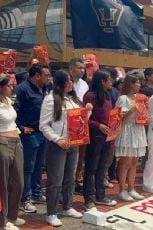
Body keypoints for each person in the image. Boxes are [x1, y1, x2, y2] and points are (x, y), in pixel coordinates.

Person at [39, 70, 91, 226]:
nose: (70, 83)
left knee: (70, 177)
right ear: (60, 83)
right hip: (58, 145)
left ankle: (67, 205)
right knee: (55, 179)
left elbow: (80, 122)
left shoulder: (74, 99)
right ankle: (51, 212)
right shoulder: (51, 99)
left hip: (73, 143)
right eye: (67, 81)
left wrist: (87, 111)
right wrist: (57, 139)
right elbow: (43, 125)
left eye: (71, 81)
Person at [0, 73, 25, 230]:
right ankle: (2, 221)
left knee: (18, 182)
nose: (12, 88)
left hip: (16, 140)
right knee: (3, 183)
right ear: (0, 87)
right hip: (2, 142)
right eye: (9, 85)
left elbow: (13, 121)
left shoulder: (9, 101)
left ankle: (12, 215)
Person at [14, 64, 51, 213]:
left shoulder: (45, 89)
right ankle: (25, 199)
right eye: (46, 75)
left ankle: (37, 193)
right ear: (36, 76)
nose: (49, 78)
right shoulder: (22, 89)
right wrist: (22, 128)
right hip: (29, 133)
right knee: (27, 168)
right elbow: (13, 110)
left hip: (42, 132)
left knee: (39, 166)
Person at [83, 69, 118, 210]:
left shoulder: (107, 94)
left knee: (102, 167)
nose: (111, 82)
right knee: (91, 167)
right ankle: (89, 198)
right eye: (109, 79)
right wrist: (99, 125)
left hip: (107, 135)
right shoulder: (90, 96)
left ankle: (100, 195)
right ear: (102, 81)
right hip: (95, 135)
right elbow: (84, 118)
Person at [115, 75, 147, 201]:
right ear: (131, 84)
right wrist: (131, 110)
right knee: (125, 162)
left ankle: (131, 188)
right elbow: (119, 118)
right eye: (137, 83)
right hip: (128, 130)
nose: (139, 85)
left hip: (138, 129)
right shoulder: (123, 98)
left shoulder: (139, 98)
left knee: (134, 162)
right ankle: (122, 189)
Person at [69, 58, 89, 194]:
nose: (82, 70)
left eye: (83, 68)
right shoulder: (65, 82)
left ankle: (77, 180)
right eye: (79, 67)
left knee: (81, 155)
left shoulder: (84, 85)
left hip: (82, 123)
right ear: (71, 69)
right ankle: (67, 183)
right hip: (67, 123)